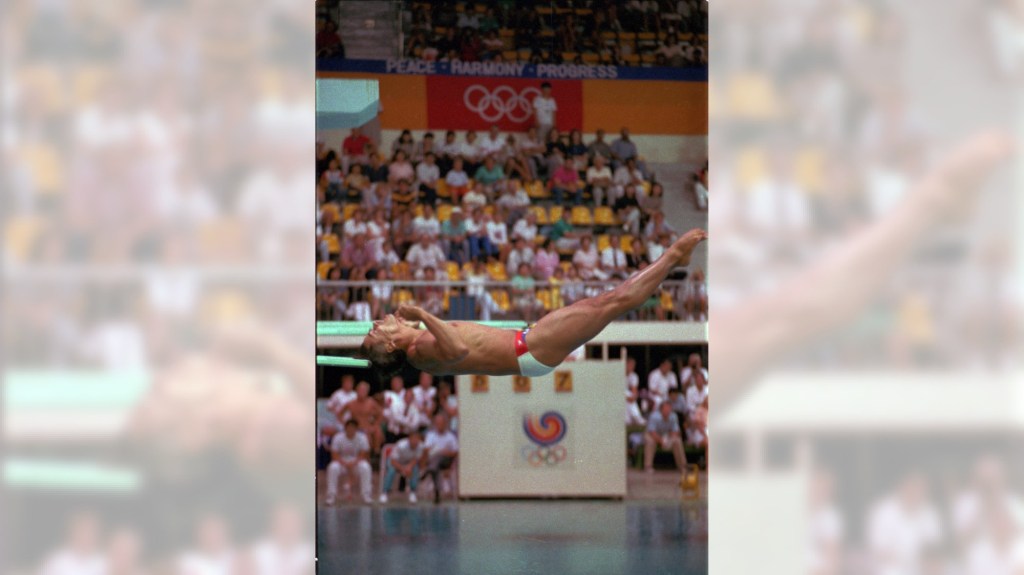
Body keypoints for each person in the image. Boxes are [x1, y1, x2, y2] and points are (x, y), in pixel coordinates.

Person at [359, 229, 707, 378]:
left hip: (530, 346)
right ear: (390, 344)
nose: (376, 323)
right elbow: (457, 350)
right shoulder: (420, 350)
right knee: (611, 302)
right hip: (530, 348)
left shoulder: (420, 350)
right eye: (377, 332)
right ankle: (673, 257)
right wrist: (420, 314)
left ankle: (672, 261)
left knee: (608, 302)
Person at [325, 420, 373, 505]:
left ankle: (366, 495)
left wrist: (353, 463)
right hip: (341, 461)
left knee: (366, 467)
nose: (351, 429)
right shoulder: (338, 437)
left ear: (356, 429)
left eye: (353, 427)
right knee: (332, 468)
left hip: (356, 461)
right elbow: (334, 455)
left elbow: (363, 454)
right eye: (349, 427)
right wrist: (344, 463)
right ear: (345, 428)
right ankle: (331, 495)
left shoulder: (362, 438)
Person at [379, 427, 426, 504]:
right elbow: (393, 461)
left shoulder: (421, 446)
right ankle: (385, 492)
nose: (415, 441)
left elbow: (416, 459)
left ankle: (413, 492)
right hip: (395, 462)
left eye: (417, 439)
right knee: (391, 471)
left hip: (408, 463)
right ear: (409, 439)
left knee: (415, 469)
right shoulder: (401, 445)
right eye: (413, 439)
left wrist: (409, 467)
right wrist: (403, 469)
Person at [422, 413, 459, 503]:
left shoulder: (450, 436)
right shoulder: (431, 435)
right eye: (437, 423)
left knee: (436, 460)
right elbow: (426, 449)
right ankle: (437, 493)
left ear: (445, 424)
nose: (440, 425)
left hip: (446, 461)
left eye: (441, 423)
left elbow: (455, 452)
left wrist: (444, 452)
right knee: (435, 464)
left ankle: (429, 470)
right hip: (433, 459)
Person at [339, 381, 384, 454]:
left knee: (378, 432)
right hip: (356, 428)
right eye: (360, 390)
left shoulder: (371, 402)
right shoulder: (351, 403)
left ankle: (377, 452)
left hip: (368, 426)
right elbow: (340, 413)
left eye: (364, 390)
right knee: (366, 438)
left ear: (367, 392)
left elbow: (380, 414)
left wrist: (375, 425)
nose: (361, 392)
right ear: (356, 391)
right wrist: (345, 424)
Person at [644, 402, 687, 473]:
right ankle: (648, 466)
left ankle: (682, 466)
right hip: (652, 434)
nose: (668, 410)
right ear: (661, 410)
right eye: (665, 409)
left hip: (666, 435)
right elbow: (652, 432)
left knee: (677, 440)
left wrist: (668, 437)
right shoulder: (654, 416)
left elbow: (676, 431)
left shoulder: (674, 416)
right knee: (650, 442)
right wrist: (661, 441)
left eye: (669, 409)